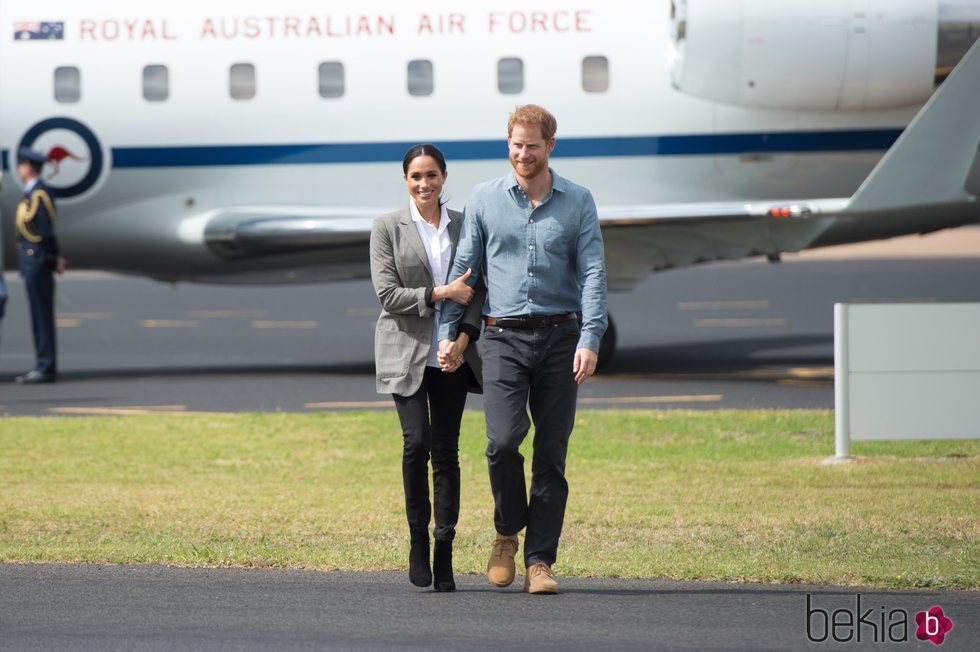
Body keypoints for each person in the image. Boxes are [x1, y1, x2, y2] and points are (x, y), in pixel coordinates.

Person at [438, 105, 607, 594]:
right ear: (507, 144)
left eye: (533, 145)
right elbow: (465, 271)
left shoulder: (578, 200)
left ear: (550, 145)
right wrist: (450, 332)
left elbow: (593, 271)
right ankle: (506, 530)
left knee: (551, 454)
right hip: (502, 338)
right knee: (504, 442)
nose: (523, 153)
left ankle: (540, 561)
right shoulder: (485, 199)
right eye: (516, 144)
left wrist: (590, 337)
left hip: (560, 337)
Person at [370, 144, 485, 592]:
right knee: (415, 443)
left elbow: (478, 289)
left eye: (432, 175)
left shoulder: (463, 224)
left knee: (447, 449)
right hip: (405, 349)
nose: (425, 183)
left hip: (452, 353)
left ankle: (444, 547)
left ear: (444, 177)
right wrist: (439, 294)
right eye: (416, 176)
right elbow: (388, 295)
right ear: (405, 180)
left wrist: (460, 341)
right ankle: (418, 537)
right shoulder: (386, 227)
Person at [14, 147, 65, 384]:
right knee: (37, 316)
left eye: (21, 165)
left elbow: (45, 230)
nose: (19, 169)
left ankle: (46, 366)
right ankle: (42, 364)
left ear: (28, 167)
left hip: (38, 260)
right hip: (31, 260)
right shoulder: (32, 192)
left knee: (42, 316)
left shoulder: (40, 195)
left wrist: (55, 257)